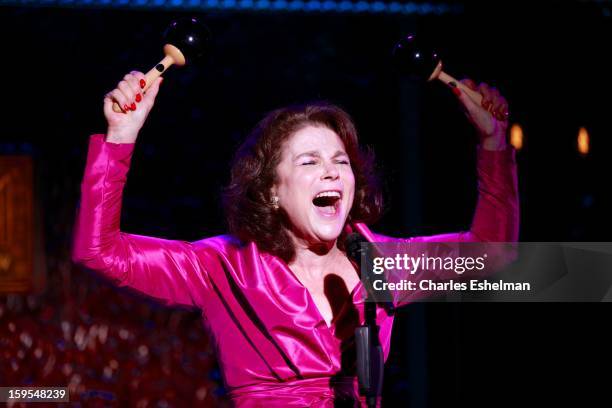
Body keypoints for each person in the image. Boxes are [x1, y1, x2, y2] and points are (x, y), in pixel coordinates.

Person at [72, 71, 518, 407]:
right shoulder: (222, 268)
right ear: (271, 189)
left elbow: (490, 255)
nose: (330, 171)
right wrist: (120, 137)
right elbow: (100, 251)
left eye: (340, 161)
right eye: (309, 162)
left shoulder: (384, 263)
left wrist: (494, 145)